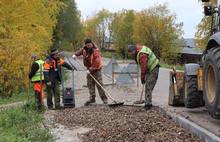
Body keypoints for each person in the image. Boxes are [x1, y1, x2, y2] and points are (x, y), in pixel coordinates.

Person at [72, 38, 108, 106]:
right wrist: (75, 55)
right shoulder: (84, 49)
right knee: (90, 84)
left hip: (96, 70)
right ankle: (92, 99)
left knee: (99, 84)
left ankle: (104, 99)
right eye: (87, 45)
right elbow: (80, 52)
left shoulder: (95, 51)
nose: (88, 46)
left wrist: (90, 69)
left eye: (89, 44)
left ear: (92, 43)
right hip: (89, 70)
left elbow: (97, 62)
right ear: (85, 45)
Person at [128, 44, 160, 110]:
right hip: (149, 68)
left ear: (134, 51)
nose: (131, 55)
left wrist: (142, 78)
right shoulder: (138, 51)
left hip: (154, 68)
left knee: (148, 86)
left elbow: (143, 67)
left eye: (131, 53)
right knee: (148, 86)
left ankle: (148, 105)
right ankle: (147, 102)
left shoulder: (142, 55)